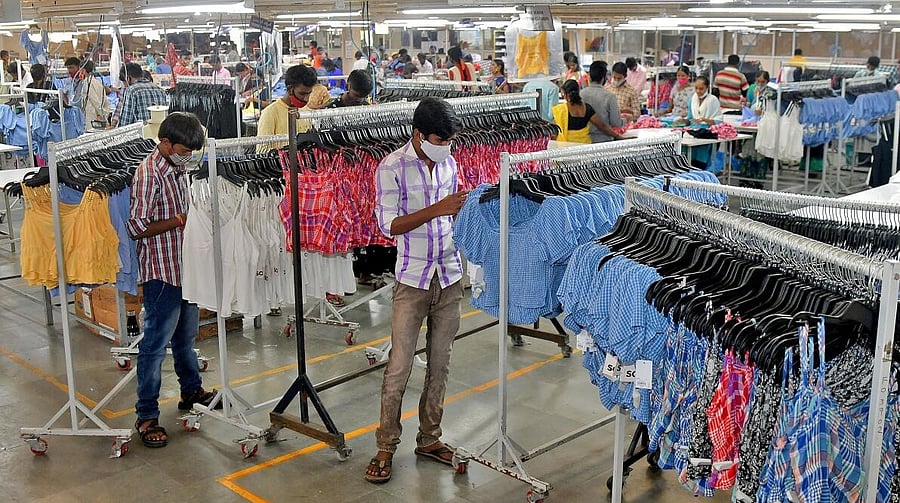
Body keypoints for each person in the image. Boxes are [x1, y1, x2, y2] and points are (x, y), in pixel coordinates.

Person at [366, 97, 467, 484]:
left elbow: (450, 212)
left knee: (440, 364)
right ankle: (385, 444)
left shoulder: (449, 161)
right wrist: (439, 208)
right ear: (418, 135)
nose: (445, 147)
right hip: (412, 279)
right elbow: (388, 225)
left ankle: (430, 437)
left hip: (449, 274)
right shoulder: (391, 167)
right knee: (399, 367)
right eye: (439, 140)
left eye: (449, 141)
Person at [127, 112, 219, 449]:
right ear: (165, 143)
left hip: (187, 268)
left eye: (192, 152)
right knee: (154, 346)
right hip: (162, 273)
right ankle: (147, 414)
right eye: (183, 150)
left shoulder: (180, 168)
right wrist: (177, 221)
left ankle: (191, 391)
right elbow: (136, 227)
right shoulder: (148, 175)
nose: (188, 156)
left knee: (186, 337)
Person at [552, 80, 623, 144]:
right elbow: (602, 126)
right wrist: (617, 136)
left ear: (565, 94)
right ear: (578, 91)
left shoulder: (560, 110)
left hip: (566, 148)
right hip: (584, 147)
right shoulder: (586, 108)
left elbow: (554, 132)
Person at [581, 61, 624, 143]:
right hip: (603, 141)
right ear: (604, 78)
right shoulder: (609, 97)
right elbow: (616, 123)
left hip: (584, 140)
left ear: (590, 76)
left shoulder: (581, 94)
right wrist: (626, 119)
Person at [119, 62, 169, 126]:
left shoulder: (131, 91)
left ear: (128, 78)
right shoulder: (160, 89)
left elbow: (126, 120)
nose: (124, 85)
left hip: (141, 133)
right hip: (159, 132)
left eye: (124, 82)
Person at [81, 60, 110, 127]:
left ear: (84, 70)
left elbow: (95, 101)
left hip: (93, 117)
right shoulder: (97, 82)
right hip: (98, 115)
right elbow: (105, 101)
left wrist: (102, 115)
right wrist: (105, 114)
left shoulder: (88, 83)